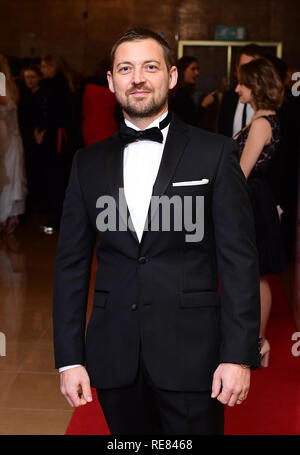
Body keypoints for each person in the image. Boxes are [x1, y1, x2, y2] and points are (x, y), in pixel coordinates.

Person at [53, 28, 261, 435]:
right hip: (115, 356)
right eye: (125, 68)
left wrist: (238, 356)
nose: (137, 78)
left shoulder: (215, 153)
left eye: (150, 66)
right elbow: (71, 266)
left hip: (194, 356)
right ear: (111, 82)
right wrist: (69, 358)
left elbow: (238, 261)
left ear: (171, 76)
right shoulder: (86, 163)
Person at [234, 57, 287, 367]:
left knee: (256, 275)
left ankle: (257, 343)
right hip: (257, 199)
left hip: (252, 201)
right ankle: (257, 342)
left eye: (243, 83)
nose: (238, 88)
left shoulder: (261, 123)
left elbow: (242, 172)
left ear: (256, 87)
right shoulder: (267, 119)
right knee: (256, 274)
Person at [39, 54, 72, 232]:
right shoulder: (53, 84)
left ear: (52, 67)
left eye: (44, 67)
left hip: (57, 136)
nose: (42, 70)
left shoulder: (58, 84)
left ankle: (57, 217)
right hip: (52, 134)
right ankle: (55, 215)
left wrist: (44, 128)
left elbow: (56, 112)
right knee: (53, 177)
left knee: (57, 178)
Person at [0, 54, 27, 234]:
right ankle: (10, 216)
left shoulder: (2, 80)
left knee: (7, 174)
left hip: (6, 134)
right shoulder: (9, 81)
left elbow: (6, 103)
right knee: (11, 173)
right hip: (11, 133)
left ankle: (5, 216)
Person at [218, 44, 264, 138]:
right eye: (244, 68)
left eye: (252, 68)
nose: (247, 73)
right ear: (237, 69)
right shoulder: (229, 97)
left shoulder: (268, 103)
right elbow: (222, 134)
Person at [81, 59, 120, 146]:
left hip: (90, 127)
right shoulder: (114, 91)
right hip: (109, 127)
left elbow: (84, 110)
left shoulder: (90, 88)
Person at [170, 56, 216, 126]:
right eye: (193, 69)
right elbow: (191, 121)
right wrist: (204, 104)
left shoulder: (184, 91)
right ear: (183, 71)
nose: (197, 73)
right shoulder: (178, 94)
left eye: (197, 69)